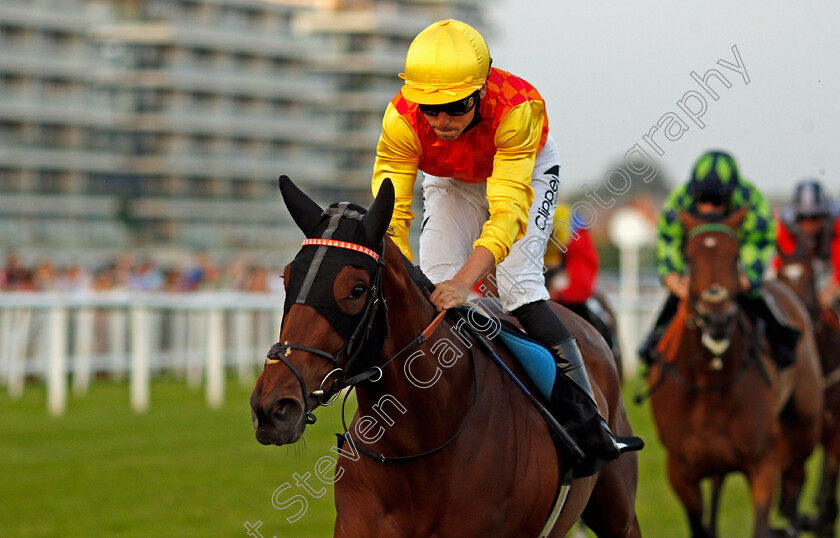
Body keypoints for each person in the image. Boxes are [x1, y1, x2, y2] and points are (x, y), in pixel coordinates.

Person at [371, 19, 637, 474]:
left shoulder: (518, 107)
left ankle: (589, 421)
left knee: (517, 285)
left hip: (520, 173)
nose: (440, 121)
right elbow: (391, 216)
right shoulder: (401, 118)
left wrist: (465, 281)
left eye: (453, 108)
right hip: (452, 177)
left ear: (478, 90)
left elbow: (507, 215)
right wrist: (401, 275)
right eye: (429, 110)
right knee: (431, 289)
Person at [637, 150, 799, 370]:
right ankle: (653, 343)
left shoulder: (751, 201)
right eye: (702, 199)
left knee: (754, 297)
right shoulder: (678, 200)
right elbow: (669, 240)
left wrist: (747, 278)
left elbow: (758, 242)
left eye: (717, 201)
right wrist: (673, 277)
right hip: (697, 272)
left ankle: (782, 345)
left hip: (733, 270)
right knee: (674, 303)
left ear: (732, 195)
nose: (709, 207)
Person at [543, 204, 615, 351]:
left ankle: (606, 352)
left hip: (569, 289)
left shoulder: (574, 230)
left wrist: (558, 294)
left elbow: (582, 284)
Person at [776, 179, 840, 309]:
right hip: (805, 271)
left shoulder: (836, 224)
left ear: (825, 215)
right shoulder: (786, 226)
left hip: (829, 268)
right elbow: (784, 263)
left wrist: (830, 291)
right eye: (804, 218)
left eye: (816, 217)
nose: (810, 224)